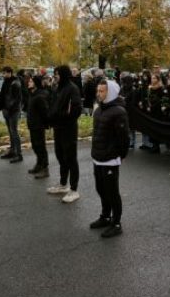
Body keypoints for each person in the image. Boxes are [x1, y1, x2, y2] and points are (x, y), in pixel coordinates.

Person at [89, 79, 131, 238]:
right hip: (98, 158)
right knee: (101, 189)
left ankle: (116, 223)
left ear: (110, 92)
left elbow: (124, 138)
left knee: (112, 192)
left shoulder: (119, 112)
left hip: (110, 160)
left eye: (102, 91)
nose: (98, 94)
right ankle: (105, 216)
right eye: (98, 91)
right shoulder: (99, 109)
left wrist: (121, 155)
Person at [48, 65, 83, 203]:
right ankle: (63, 185)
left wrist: (62, 116)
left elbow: (77, 109)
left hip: (68, 129)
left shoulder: (72, 88)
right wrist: (51, 117)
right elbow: (54, 106)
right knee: (60, 156)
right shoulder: (58, 88)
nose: (55, 76)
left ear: (63, 74)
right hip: (58, 128)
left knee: (71, 158)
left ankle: (74, 190)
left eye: (57, 74)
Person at [26, 75, 51, 178]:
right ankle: (39, 164)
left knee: (40, 147)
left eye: (31, 81)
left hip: (38, 126)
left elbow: (45, 112)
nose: (29, 83)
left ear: (36, 83)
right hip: (32, 125)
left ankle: (45, 169)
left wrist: (46, 124)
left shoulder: (40, 96)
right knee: (35, 146)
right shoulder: (33, 94)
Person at [0, 66, 24, 163]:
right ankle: (12, 151)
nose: (3, 75)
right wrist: (3, 107)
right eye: (3, 73)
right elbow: (4, 95)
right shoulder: (6, 81)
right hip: (7, 110)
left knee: (14, 132)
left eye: (4, 73)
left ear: (10, 73)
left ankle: (19, 154)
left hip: (13, 111)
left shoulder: (15, 83)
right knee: (10, 132)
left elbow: (17, 99)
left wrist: (9, 108)